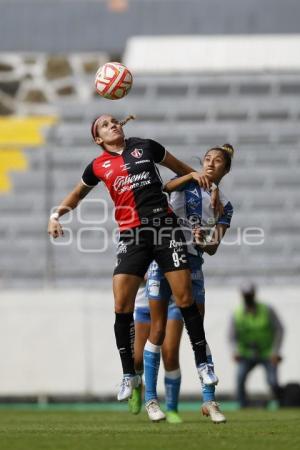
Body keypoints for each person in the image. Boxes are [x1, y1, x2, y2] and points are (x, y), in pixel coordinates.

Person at [47, 114, 222, 421]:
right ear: (98, 139)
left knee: (185, 300)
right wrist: (55, 215)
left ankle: (204, 366)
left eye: (115, 121)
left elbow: (181, 170)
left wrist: (202, 183)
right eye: (105, 125)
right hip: (132, 235)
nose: (113, 124)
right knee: (121, 304)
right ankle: (130, 374)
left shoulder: (146, 146)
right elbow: (76, 195)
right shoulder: (97, 166)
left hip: (165, 229)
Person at [130, 144, 234, 423]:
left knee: (196, 330)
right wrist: (190, 176)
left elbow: (213, 246)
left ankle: (209, 400)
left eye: (218, 161)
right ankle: (151, 398)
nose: (211, 163)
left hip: (193, 267)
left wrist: (204, 241)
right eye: (208, 159)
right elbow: (167, 186)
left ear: (226, 169)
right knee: (158, 330)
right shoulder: (186, 185)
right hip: (162, 261)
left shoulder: (225, 205)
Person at [229, 282, 284, 408]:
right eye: (246, 295)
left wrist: (275, 351)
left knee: (273, 382)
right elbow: (231, 336)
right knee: (240, 378)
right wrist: (235, 351)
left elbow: (279, 330)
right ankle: (243, 405)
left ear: (254, 294)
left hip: (268, 353)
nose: (248, 297)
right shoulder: (236, 313)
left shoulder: (267, 309)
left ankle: (280, 404)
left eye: (250, 295)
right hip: (246, 353)